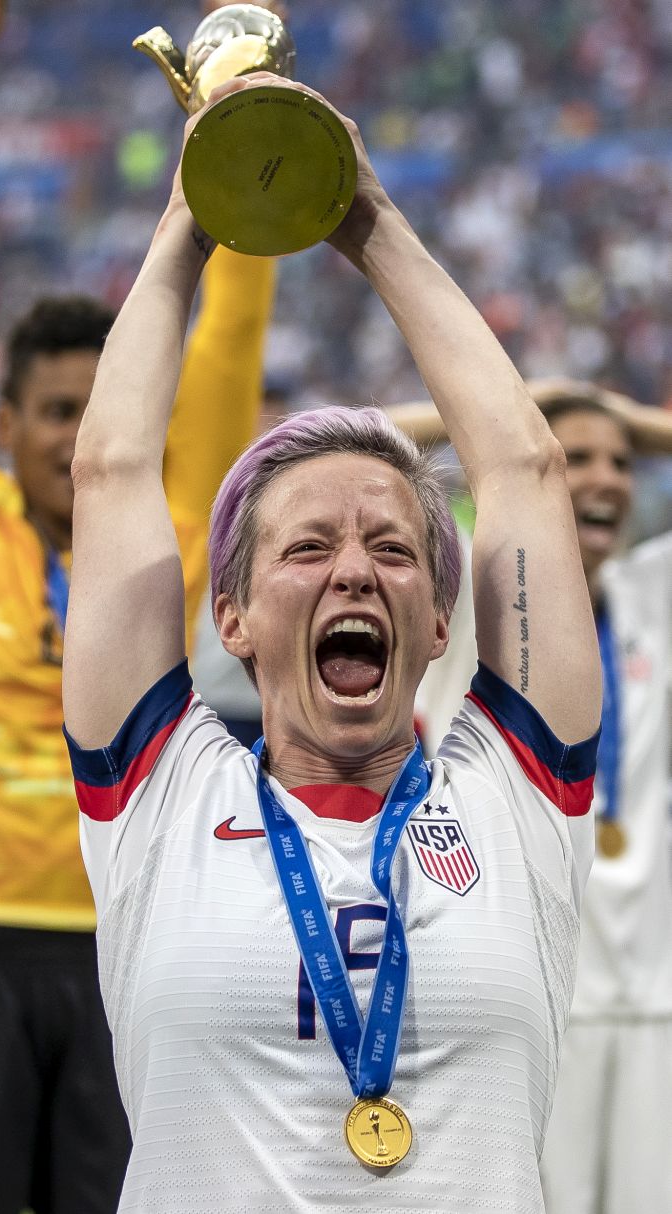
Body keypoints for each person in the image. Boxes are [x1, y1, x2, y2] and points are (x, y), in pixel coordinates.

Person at [62, 73, 601, 1212]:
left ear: (442, 620)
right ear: (232, 618)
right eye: (308, 547)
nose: (354, 569)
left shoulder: (519, 799)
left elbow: (523, 469)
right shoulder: (158, 797)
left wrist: (369, 217)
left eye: (394, 549)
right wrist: (195, 211)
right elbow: (111, 470)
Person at [0, 2, 274, 1212]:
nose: (78, 434)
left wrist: (240, 137)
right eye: (53, 410)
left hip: (123, 953)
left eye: (103, 409)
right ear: (6, 424)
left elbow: (230, 334)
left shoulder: (172, 526)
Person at [389, 381, 672, 1212]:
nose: (605, 477)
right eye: (574, 458)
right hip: (518, 984)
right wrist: (526, 405)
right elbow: (347, 442)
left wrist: (626, 421)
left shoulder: (652, 595)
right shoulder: (472, 588)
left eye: (620, 465)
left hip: (654, 993)